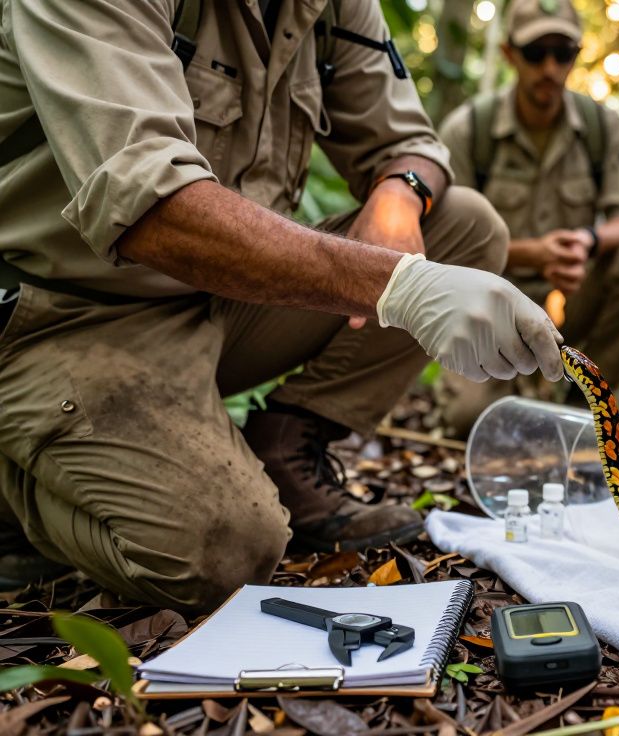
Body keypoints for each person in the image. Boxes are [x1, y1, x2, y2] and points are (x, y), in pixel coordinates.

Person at [0, 0, 562, 611]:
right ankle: (18, 483)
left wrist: (400, 193)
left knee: (465, 229)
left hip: (217, 300)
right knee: (224, 551)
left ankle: (286, 447)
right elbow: (151, 207)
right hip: (63, 317)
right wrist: (396, 285)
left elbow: (411, 142)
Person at [435, 0, 619, 438]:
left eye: (561, 53)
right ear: (510, 55)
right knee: (469, 422)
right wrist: (531, 255)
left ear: (575, 56)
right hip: (492, 310)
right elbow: (441, 243)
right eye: (535, 53)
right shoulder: (468, 130)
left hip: (574, 299)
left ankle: (584, 401)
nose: (549, 67)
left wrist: (588, 241)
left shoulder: (600, 126)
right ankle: (510, 392)